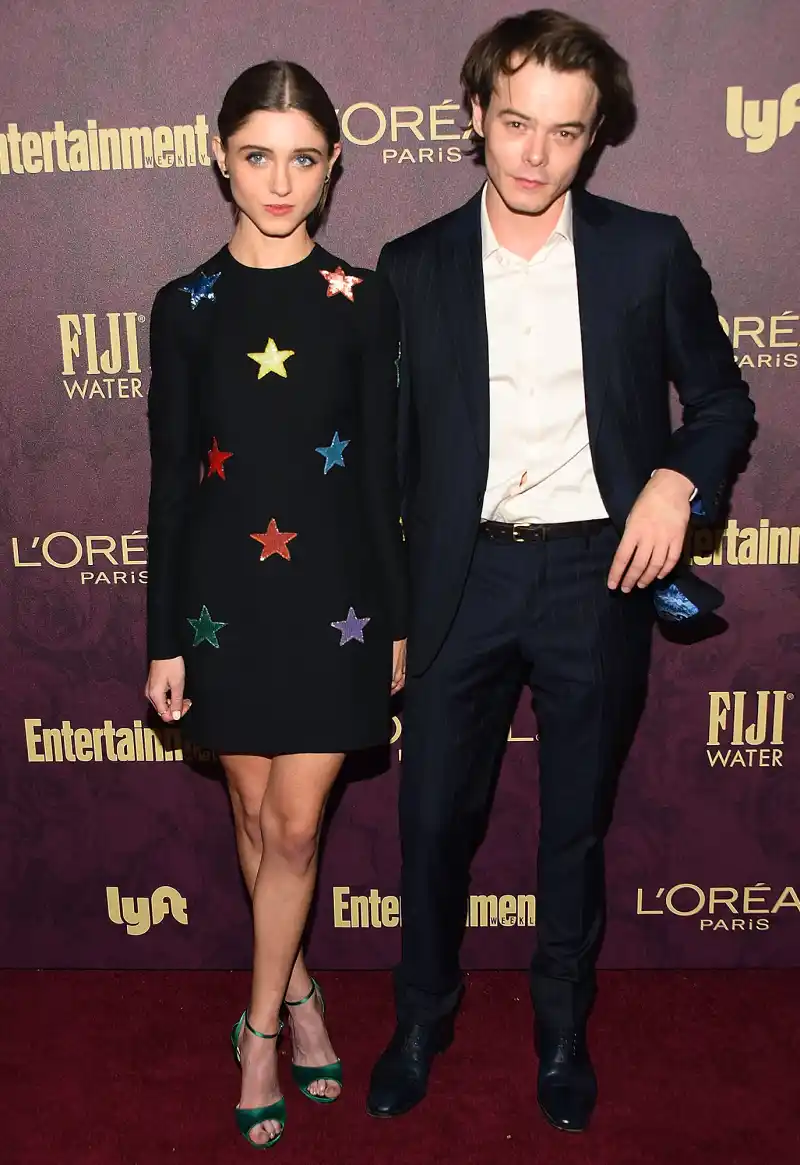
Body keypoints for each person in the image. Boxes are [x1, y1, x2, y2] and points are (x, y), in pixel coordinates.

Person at [366, 8, 755, 1134]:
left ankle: (560, 1031)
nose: (535, 155)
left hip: (598, 576)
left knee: (575, 825)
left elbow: (721, 402)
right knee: (432, 821)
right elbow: (384, 465)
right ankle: (421, 1019)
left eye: (566, 132)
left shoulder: (647, 249)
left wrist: (675, 483)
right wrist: (387, 609)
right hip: (460, 581)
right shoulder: (412, 266)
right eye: (515, 123)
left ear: (593, 139)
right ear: (475, 116)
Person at [144, 60, 407, 1149]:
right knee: (257, 821)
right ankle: (299, 994)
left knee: (296, 823)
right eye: (258, 156)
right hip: (222, 606)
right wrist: (165, 636)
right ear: (221, 157)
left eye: (303, 159)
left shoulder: (364, 299)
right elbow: (168, 485)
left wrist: (396, 621)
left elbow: (385, 476)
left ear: (334, 164)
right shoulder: (184, 307)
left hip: (337, 604)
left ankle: (257, 1032)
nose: (281, 182)